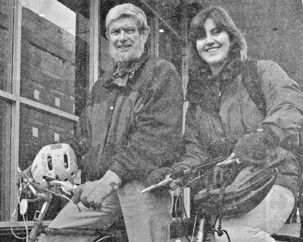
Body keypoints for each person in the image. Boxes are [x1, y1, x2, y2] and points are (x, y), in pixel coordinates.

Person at [37, 3, 184, 242]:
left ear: (144, 34)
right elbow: (86, 137)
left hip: (141, 185)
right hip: (104, 185)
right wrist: (55, 157)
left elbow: (155, 137)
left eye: (129, 31)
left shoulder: (161, 73)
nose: (122, 38)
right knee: (56, 236)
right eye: (115, 32)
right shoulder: (101, 85)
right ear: (108, 38)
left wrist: (107, 181)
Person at [160, 5, 303, 242]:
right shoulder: (198, 100)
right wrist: (178, 171)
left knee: (234, 234)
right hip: (229, 193)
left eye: (216, 32)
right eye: (201, 36)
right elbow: (196, 149)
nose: (209, 41)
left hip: (271, 181)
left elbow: (290, 103)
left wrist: (266, 136)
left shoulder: (260, 72)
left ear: (231, 37)